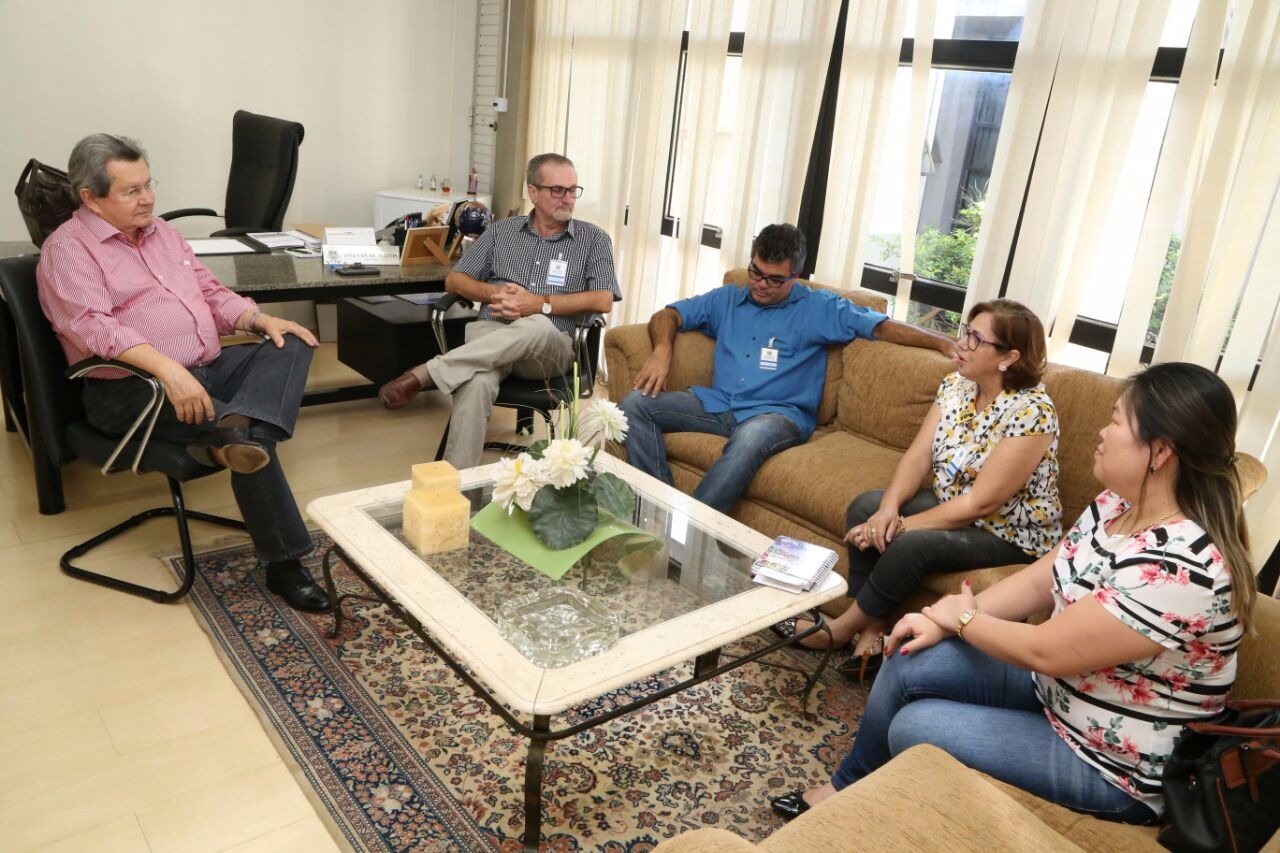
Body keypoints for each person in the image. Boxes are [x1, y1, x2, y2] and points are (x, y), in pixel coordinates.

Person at [770, 362, 1254, 826]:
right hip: (1060, 693)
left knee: (917, 727)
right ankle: (843, 790)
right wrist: (946, 617)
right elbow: (1044, 575)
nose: (1102, 435)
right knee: (910, 657)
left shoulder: (1183, 566)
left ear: (1161, 451)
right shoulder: (1118, 504)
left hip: (1111, 762)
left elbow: (1047, 651)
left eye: (1116, 422)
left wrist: (962, 618)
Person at [36, 133, 328, 612]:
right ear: (90, 197)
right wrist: (167, 370)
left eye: (148, 184)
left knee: (290, 340)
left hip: (207, 369)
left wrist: (257, 319)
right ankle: (285, 565)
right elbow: (95, 329)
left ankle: (234, 430)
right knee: (252, 435)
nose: (147, 198)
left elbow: (212, 294)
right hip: (132, 391)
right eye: (130, 191)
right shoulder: (68, 250)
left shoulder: (163, 234)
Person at [795, 299, 1062, 679]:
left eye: (976, 339)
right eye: (965, 331)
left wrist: (901, 526)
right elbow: (918, 456)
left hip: (1005, 531)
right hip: (953, 503)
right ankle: (873, 628)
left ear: (1009, 357)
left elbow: (981, 503)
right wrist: (888, 510)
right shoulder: (956, 384)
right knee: (866, 506)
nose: (962, 344)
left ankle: (842, 628)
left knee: (909, 541)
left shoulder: (1033, 412)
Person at [620, 223, 953, 516]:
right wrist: (662, 351)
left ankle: (690, 529)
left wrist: (940, 342)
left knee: (749, 438)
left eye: (774, 279)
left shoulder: (819, 308)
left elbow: (880, 326)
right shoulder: (727, 299)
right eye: (756, 272)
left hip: (776, 416)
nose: (761, 284)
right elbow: (668, 315)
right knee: (636, 404)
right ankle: (654, 510)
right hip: (719, 403)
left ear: (795, 276)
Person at [378, 153, 621, 469]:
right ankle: (457, 487)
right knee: (477, 380)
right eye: (558, 190)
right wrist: (492, 292)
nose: (568, 198)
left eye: (573, 190)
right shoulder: (500, 232)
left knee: (537, 325)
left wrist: (539, 304)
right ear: (533, 191)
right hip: (492, 332)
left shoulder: (594, 239)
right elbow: (455, 279)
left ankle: (427, 373)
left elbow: (603, 298)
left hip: (549, 348)